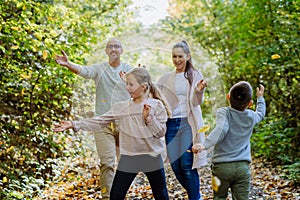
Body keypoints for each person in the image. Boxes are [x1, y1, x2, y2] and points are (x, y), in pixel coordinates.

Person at [53, 67, 171, 200]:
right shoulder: (121, 107)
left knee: (161, 196)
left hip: (152, 157)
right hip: (129, 158)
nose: (127, 88)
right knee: (115, 196)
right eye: (126, 83)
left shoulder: (156, 105)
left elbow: (161, 133)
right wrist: (74, 124)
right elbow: (99, 121)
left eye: (131, 84)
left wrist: (149, 119)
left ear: (143, 87)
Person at [54, 38, 132, 199]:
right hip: (102, 123)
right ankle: (108, 197)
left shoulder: (129, 70)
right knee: (107, 163)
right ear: (106, 51)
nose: (113, 49)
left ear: (122, 50)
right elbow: (84, 71)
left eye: (117, 46)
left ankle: (121, 195)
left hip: (125, 123)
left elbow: (142, 88)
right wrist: (68, 64)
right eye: (110, 46)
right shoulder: (99, 69)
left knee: (125, 165)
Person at [192, 82, 266, 200]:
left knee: (219, 197)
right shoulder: (251, 116)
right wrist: (260, 98)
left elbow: (222, 129)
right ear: (250, 104)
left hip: (221, 167)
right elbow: (261, 114)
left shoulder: (224, 112)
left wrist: (204, 145)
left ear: (228, 97)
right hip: (242, 168)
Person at [157, 40, 208, 200]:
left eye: (180, 56)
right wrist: (141, 76)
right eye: (174, 56)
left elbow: (196, 102)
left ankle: (195, 198)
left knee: (187, 165)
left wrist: (199, 91)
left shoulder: (194, 75)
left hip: (187, 123)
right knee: (175, 166)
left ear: (187, 56)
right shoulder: (166, 78)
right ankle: (196, 194)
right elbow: (155, 95)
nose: (177, 60)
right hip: (171, 124)